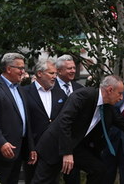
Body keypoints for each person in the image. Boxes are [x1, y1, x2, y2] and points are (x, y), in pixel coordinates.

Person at [31, 75, 124, 184]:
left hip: (75, 147)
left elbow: (123, 123)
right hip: (55, 145)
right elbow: (64, 122)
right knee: (43, 181)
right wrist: (66, 152)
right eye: (120, 93)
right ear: (110, 90)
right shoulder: (83, 96)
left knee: (98, 169)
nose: (122, 97)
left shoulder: (108, 108)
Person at [0, 52, 37, 184]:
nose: (23, 72)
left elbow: (25, 120)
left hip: (16, 152)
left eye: (24, 68)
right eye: (20, 68)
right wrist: (1, 143)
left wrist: (30, 147)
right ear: (8, 68)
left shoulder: (20, 90)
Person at [22, 57, 67, 183]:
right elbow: (25, 123)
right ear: (39, 73)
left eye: (56, 74)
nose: (54, 77)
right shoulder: (24, 92)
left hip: (54, 150)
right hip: (34, 150)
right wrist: (29, 147)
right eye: (51, 73)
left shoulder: (61, 94)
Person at [54, 54, 83, 184]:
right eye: (69, 68)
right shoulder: (50, 88)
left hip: (74, 143)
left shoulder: (79, 89)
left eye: (73, 68)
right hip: (53, 141)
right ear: (59, 71)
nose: (72, 71)